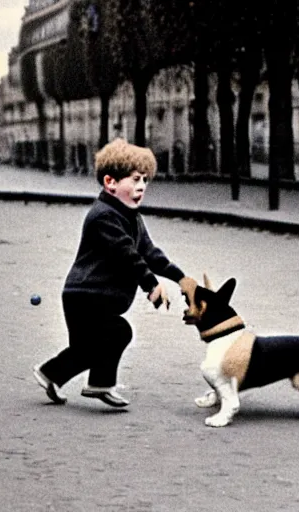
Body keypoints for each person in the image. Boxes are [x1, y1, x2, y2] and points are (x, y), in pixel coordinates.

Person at [33, 138, 196, 407]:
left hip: (96, 295)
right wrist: (151, 284)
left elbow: (150, 253)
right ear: (111, 183)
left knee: (93, 346)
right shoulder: (103, 216)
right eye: (134, 179)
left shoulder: (132, 217)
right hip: (85, 295)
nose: (142, 186)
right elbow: (127, 254)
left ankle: (61, 376)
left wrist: (181, 278)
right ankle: (87, 381)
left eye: (145, 180)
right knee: (112, 335)